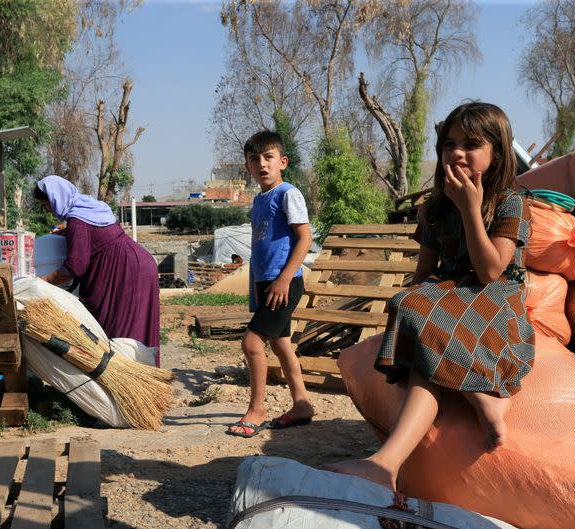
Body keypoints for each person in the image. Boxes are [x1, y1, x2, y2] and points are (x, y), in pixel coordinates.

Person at [324, 102, 535, 488]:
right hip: (450, 294)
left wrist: (471, 209)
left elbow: (490, 271)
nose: (457, 152)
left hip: (495, 297)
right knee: (409, 304)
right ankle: (474, 401)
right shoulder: (434, 209)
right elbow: (423, 274)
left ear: (498, 154)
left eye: (471, 144)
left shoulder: (509, 203)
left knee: (428, 318)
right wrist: (408, 308)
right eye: (449, 143)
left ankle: (391, 459)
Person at [226, 131, 314, 438]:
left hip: (285, 282)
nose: (262, 164)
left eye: (268, 157)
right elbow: (260, 248)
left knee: (252, 343)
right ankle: (302, 404)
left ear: (283, 162)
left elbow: (305, 239)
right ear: (248, 167)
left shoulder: (287, 193)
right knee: (280, 344)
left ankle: (257, 410)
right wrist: (257, 288)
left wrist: (284, 278)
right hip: (266, 283)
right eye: (254, 159)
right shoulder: (259, 201)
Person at [34, 175, 162, 366]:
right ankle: (143, 377)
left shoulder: (77, 220)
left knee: (122, 333)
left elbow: (75, 267)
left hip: (126, 273)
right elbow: (99, 233)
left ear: (56, 198)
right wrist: (69, 231)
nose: (48, 211)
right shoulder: (88, 207)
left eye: (47, 205)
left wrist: (42, 282)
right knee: (137, 328)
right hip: (139, 265)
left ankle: (129, 382)